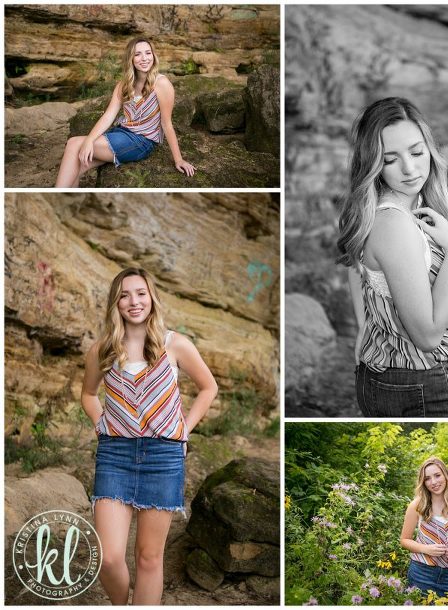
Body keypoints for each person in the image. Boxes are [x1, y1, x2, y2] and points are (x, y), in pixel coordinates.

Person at [336, 97, 448, 418]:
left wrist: (364, 327)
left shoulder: (386, 209)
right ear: (373, 165)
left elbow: (354, 266)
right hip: (426, 382)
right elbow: (428, 336)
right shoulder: (394, 223)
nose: (410, 169)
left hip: (390, 377)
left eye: (416, 152)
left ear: (430, 148)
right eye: (390, 159)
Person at [81, 268, 217, 604]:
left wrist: (183, 431)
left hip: (163, 457)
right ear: (116, 303)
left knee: (148, 558)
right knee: (108, 557)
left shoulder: (175, 345)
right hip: (115, 456)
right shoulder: (102, 350)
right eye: (125, 295)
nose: (134, 301)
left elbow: (208, 387)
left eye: (141, 293)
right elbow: (88, 394)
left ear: (152, 298)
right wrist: (102, 424)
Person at [55, 37, 196, 187]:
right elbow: (108, 116)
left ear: (153, 56)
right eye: (138, 54)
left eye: (148, 53)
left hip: (141, 141)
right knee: (76, 166)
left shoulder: (162, 84)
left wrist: (178, 159)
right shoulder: (124, 84)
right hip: (122, 132)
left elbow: (166, 124)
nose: (144, 58)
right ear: (131, 59)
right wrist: (89, 140)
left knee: (73, 144)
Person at [400, 457, 448, 598]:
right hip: (421, 573)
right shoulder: (417, 505)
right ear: (423, 482)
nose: (433, 482)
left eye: (437, 475)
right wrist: (426, 549)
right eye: (427, 478)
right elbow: (404, 540)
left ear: (446, 475)